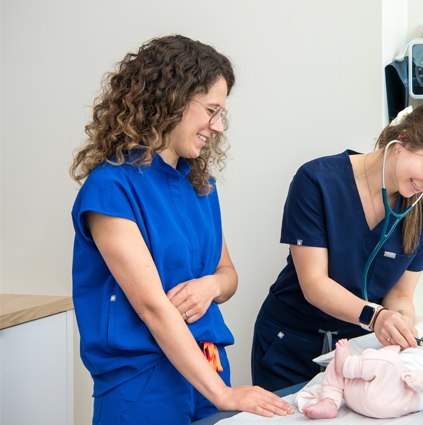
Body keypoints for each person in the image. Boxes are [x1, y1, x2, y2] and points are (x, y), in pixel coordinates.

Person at [69, 35, 294, 424]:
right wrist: (223, 394)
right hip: (143, 383)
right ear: (170, 98)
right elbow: (152, 306)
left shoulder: (200, 186)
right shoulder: (111, 188)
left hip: (208, 369)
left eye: (222, 113)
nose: (218, 126)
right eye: (211, 110)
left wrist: (211, 286)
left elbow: (227, 274)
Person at [251, 101, 423, 392]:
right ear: (403, 140)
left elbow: (400, 295)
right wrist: (376, 316)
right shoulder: (317, 181)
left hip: (359, 352)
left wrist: (400, 324)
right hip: (290, 343)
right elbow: (314, 284)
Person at [297, 315, 423, 419]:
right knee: (335, 363)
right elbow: (392, 352)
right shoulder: (419, 345)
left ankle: (348, 365)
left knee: (388, 363)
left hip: (399, 395)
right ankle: (330, 401)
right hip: (360, 391)